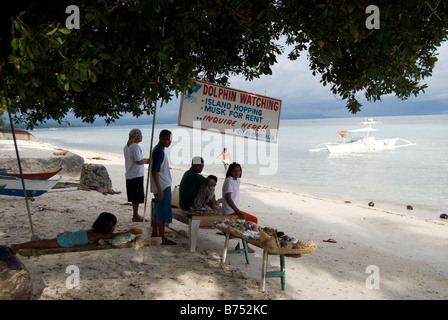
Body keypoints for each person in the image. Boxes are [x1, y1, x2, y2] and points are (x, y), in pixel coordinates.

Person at [10, 212, 142, 255]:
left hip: (69, 237)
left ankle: (30, 243)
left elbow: (110, 236)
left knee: (44, 242)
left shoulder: (96, 233)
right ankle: (16, 246)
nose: (114, 228)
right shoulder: (97, 235)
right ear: (107, 227)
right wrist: (129, 232)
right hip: (67, 241)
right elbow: (113, 236)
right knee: (42, 244)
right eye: (113, 226)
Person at [222, 162, 258, 252]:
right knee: (253, 220)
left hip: (234, 209)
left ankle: (242, 244)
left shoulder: (237, 180)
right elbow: (228, 198)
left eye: (239, 170)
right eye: (234, 171)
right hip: (230, 211)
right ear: (230, 171)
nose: (237, 172)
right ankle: (245, 245)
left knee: (249, 222)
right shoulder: (229, 181)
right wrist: (238, 211)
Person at [149, 129, 176, 245]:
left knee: (157, 211)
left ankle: (155, 232)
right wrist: (159, 189)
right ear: (161, 138)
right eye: (167, 139)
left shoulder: (158, 150)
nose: (169, 142)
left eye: (170, 140)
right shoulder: (159, 151)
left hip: (161, 185)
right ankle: (162, 237)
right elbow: (155, 171)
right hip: (162, 186)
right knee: (162, 213)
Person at [123, 128, 150, 222]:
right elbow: (138, 161)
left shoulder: (127, 146)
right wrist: (149, 161)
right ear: (136, 136)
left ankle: (135, 214)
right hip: (136, 174)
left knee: (134, 196)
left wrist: (145, 159)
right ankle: (135, 215)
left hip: (130, 173)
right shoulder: (135, 146)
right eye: (141, 134)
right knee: (136, 197)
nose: (142, 136)